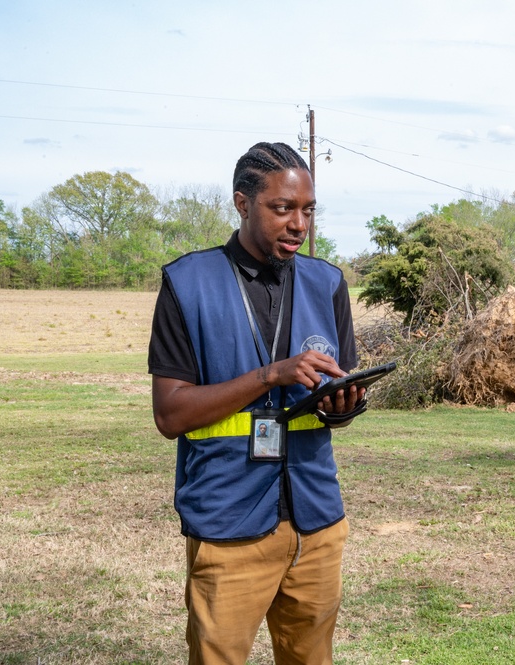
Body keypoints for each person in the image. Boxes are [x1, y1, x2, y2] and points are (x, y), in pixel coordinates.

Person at [148, 141, 363, 664]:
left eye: (308, 210)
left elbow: (339, 395)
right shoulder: (187, 283)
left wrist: (344, 405)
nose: (298, 224)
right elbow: (170, 414)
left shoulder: (328, 283)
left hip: (317, 521)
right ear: (243, 204)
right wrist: (272, 374)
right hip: (228, 525)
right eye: (282, 208)